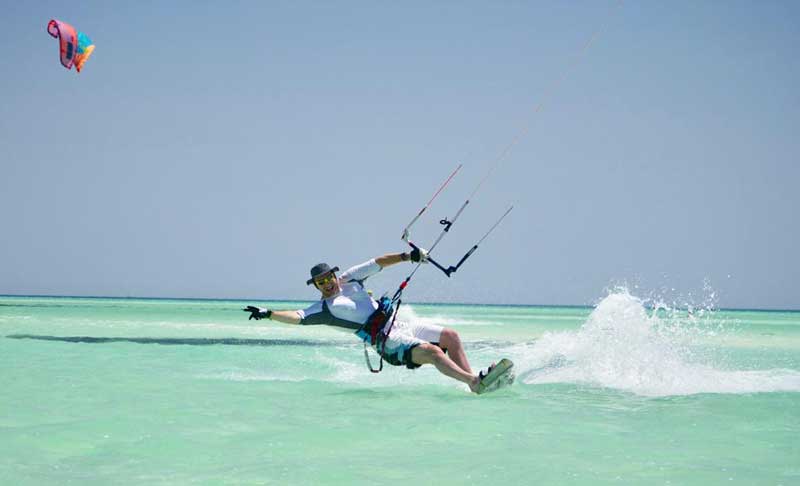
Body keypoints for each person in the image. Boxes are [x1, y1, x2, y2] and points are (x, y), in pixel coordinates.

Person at [244, 248, 495, 393]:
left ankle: (473, 383)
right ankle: (474, 382)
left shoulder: (350, 279)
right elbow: (296, 317)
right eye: (320, 283)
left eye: (328, 278)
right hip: (386, 341)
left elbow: (378, 263)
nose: (327, 284)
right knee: (432, 352)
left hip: (399, 324)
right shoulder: (324, 309)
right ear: (316, 286)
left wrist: (409, 255)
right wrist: (269, 314)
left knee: (451, 336)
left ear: (333, 275)